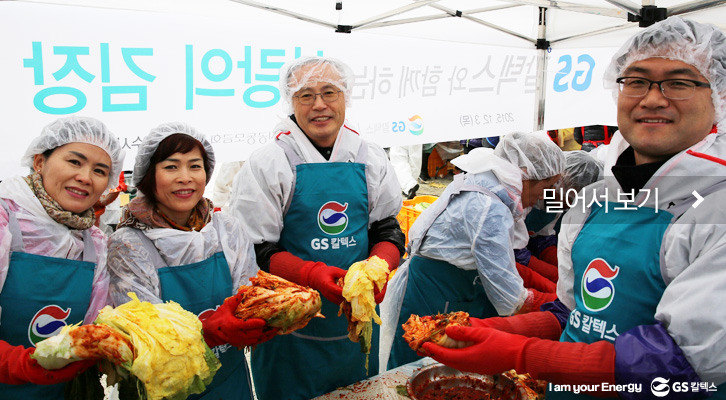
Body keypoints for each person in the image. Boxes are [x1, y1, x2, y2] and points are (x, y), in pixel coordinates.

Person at [420, 17, 726, 399]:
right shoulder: (595, 200)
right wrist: (502, 331)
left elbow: (680, 362)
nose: (651, 98)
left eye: (679, 83)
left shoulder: (715, 207)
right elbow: (576, 314)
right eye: (636, 81)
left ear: (719, 98)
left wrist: (521, 352)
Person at [227, 56, 405, 400]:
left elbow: (387, 228)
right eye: (306, 95)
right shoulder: (271, 161)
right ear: (291, 101)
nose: (319, 105)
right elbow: (254, 248)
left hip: (357, 316)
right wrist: (310, 273)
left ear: (346, 97)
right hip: (287, 324)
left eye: (330, 92)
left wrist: (379, 268)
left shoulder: (369, 156)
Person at [106, 123, 273, 400]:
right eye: (171, 167)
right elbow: (147, 338)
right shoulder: (128, 245)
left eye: (195, 166)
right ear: (149, 174)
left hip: (231, 384)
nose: (185, 178)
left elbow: (250, 296)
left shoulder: (226, 229)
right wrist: (212, 331)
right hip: (164, 389)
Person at [379, 132, 564, 371]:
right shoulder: (489, 208)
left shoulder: (490, 185)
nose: (543, 196)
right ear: (528, 175)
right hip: (437, 291)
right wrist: (557, 304)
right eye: (546, 187)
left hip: (452, 285)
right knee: (420, 367)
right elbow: (511, 301)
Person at [0, 116, 124, 398]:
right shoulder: (6, 218)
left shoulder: (94, 242)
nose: (85, 177)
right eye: (74, 162)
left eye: (100, 170)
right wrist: (26, 364)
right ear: (39, 162)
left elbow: (96, 329)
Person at [519, 150, 604, 281]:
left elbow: (542, 240)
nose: (571, 207)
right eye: (572, 200)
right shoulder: (524, 198)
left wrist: (570, 270)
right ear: (560, 184)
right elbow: (516, 254)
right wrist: (556, 278)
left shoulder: (556, 204)